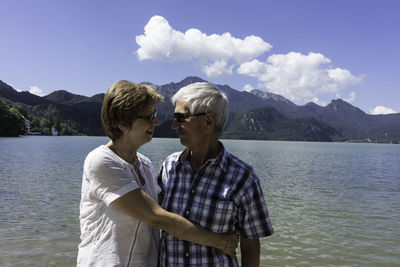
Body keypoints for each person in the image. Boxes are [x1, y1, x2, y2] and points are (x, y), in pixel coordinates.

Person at [77, 80, 238, 267]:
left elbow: (169, 207)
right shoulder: (101, 161)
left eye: (154, 114)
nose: (156, 121)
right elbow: (156, 216)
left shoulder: (145, 165)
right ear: (122, 123)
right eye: (148, 116)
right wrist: (221, 241)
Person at [158, 82, 274, 267]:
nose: (174, 125)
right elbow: (155, 219)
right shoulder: (169, 166)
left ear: (208, 121)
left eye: (181, 118)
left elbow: (250, 242)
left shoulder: (243, 178)